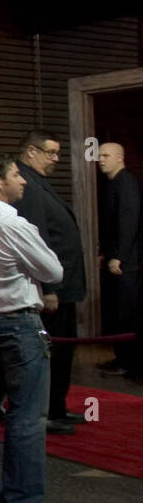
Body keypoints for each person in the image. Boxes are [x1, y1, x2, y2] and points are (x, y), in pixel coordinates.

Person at [0, 154, 73, 503]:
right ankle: (24, 501)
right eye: (15, 174)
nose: (23, 181)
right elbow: (53, 269)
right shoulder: (12, 224)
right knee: (27, 414)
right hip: (17, 325)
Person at [12, 131, 85, 434]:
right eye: (51, 152)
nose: (56, 159)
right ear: (31, 151)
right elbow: (37, 239)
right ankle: (48, 411)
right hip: (53, 288)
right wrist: (50, 288)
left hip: (63, 285)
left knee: (63, 352)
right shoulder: (27, 185)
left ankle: (57, 406)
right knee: (52, 351)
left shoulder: (38, 181)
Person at [97, 142, 141, 380]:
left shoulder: (126, 184)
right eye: (99, 155)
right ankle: (122, 359)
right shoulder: (113, 184)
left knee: (126, 314)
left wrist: (119, 256)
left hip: (127, 263)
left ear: (120, 158)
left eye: (106, 155)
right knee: (117, 313)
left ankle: (131, 363)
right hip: (117, 259)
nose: (101, 159)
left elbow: (128, 223)